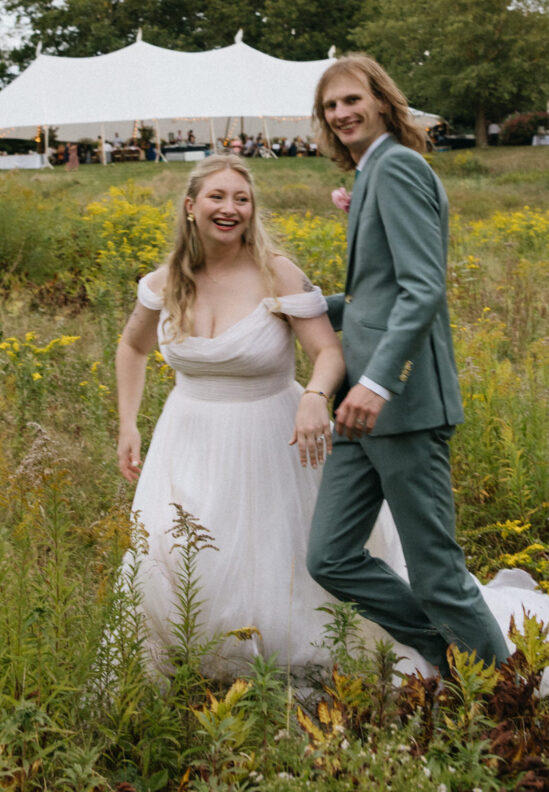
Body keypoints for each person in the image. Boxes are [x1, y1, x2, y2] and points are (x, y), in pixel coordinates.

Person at [306, 54, 517, 675]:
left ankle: (512, 698)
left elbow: (422, 290)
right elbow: (376, 295)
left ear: (382, 101)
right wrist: (303, 308)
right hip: (356, 407)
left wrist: (375, 383)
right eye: (330, 106)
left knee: (437, 572)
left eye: (351, 99)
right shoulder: (371, 174)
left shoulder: (396, 167)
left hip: (397, 403)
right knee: (331, 558)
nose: (341, 113)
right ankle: (449, 657)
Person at [115, 154, 352, 677]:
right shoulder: (163, 283)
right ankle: (194, 656)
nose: (230, 208)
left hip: (272, 434)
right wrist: (128, 423)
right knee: (180, 555)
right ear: (191, 206)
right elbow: (131, 348)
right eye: (217, 197)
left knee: (270, 556)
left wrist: (315, 395)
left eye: (241, 199)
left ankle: (276, 666)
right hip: (187, 436)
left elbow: (329, 353)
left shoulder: (277, 272)